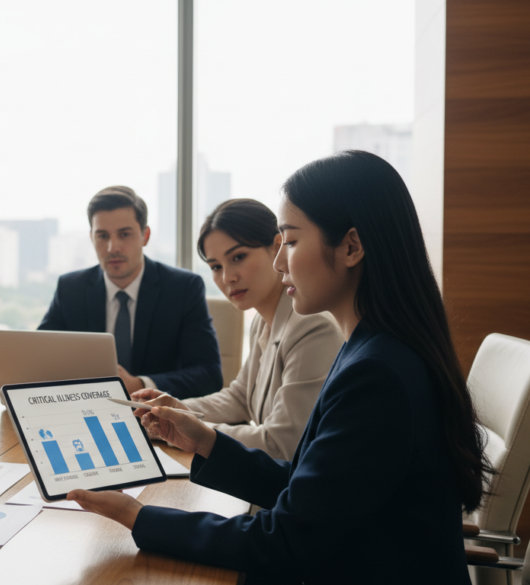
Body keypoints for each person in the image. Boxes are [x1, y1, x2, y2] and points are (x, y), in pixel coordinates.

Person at [68, 151, 492, 584]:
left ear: (351, 246)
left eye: (289, 241)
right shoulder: (372, 350)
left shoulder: (377, 375)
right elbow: (307, 489)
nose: (278, 261)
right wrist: (206, 440)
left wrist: (139, 517)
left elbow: (283, 541)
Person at [132, 199, 341, 460]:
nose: (227, 277)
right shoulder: (262, 321)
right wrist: (170, 410)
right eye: (216, 267)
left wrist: (185, 430)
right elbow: (240, 398)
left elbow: (282, 445)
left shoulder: (311, 326)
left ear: (277, 248)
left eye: (238, 257)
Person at [39, 186, 222, 399]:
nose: (112, 247)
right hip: (87, 409)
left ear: (145, 235)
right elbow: (38, 358)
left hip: (156, 419)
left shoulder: (183, 288)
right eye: (102, 236)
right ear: (91, 238)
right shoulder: (71, 288)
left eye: (124, 234)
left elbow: (209, 375)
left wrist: (139, 384)